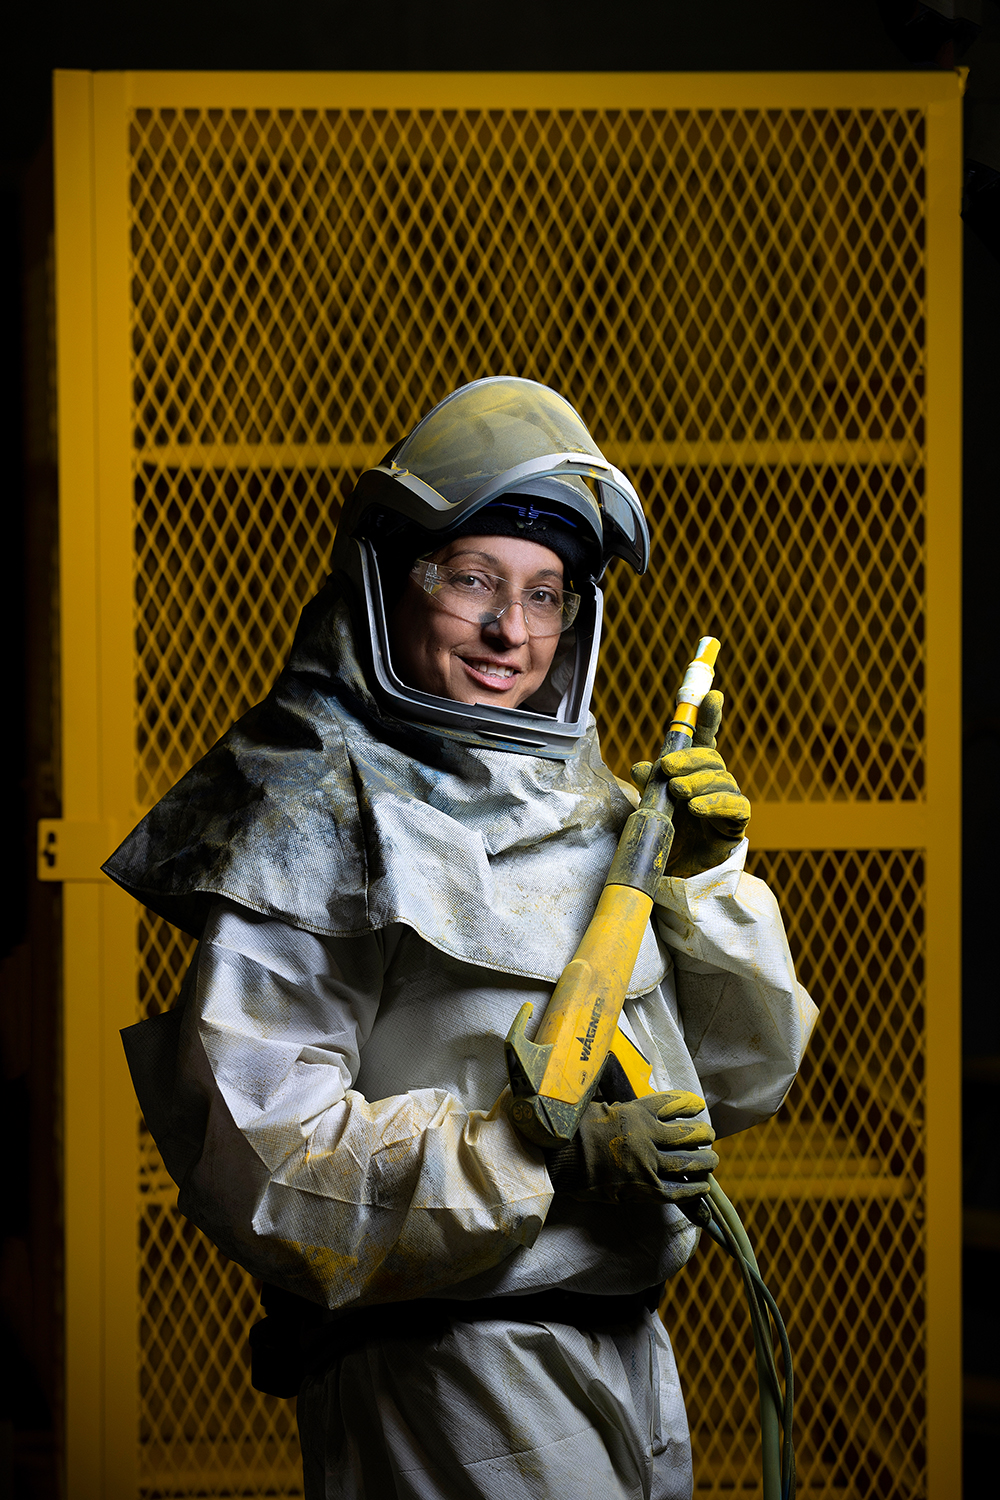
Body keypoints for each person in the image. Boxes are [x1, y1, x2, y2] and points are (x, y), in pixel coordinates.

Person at [107, 377, 817, 1500]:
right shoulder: (316, 817)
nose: (511, 632)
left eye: (546, 595)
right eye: (474, 580)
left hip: (632, 1353)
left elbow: (740, 1085)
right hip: (448, 1372)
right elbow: (265, 1163)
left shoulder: (593, 806)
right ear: (391, 580)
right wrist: (537, 1152)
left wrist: (700, 882)